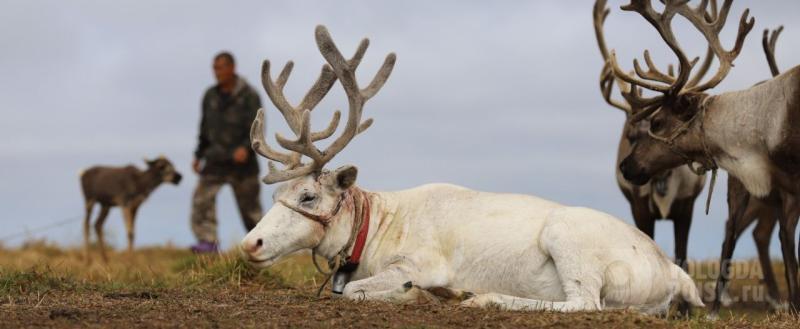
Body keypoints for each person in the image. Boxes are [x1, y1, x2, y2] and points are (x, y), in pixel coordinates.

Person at [190, 51, 263, 253]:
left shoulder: (249, 95)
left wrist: (246, 148)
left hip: (243, 165)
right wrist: (198, 155)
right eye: (214, 68)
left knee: (251, 211)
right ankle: (207, 244)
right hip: (215, 160)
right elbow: (204, 128)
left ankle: (261, 246)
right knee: (201, 201)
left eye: (220, 67)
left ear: (232, 68)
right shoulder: (209, 96)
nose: (217, 72)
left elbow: (257, 128)